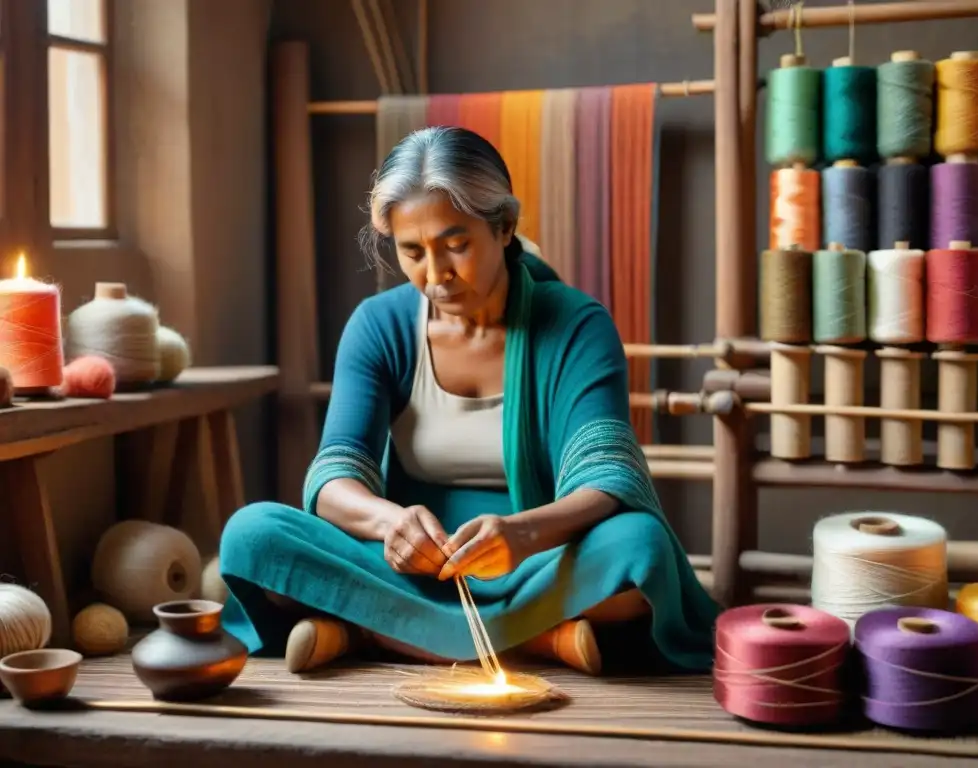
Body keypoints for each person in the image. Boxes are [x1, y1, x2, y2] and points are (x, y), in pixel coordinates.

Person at [218, 126, 719, 676]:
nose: (435, 277)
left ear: (503, 227)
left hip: (539, 561)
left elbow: (607, 478)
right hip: (407, 565)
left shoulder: (575, 324)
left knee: (639, 547)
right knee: (252, 534)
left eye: (456, 245)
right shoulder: (379, 326)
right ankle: (540, 640)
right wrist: (391, 524)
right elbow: (334, 474)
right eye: (412, 252)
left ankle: (366, 629)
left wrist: (524, 533)